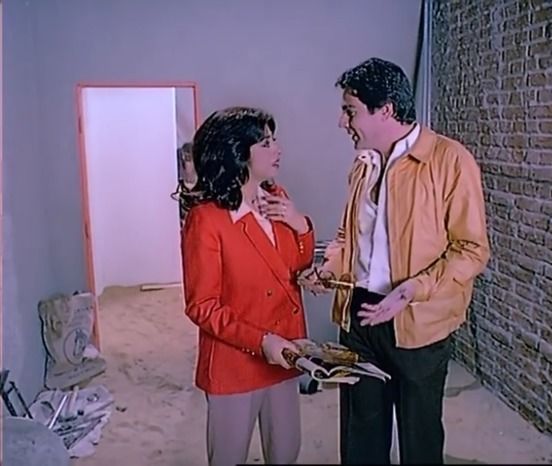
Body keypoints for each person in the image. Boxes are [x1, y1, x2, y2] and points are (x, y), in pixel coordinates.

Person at [299, 57, 490, 464]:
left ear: (385, 110)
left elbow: (471, 249)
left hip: (419, 322)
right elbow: (348, 238)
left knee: (420, 441)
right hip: (359, 317)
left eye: (350, 111)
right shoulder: (363, 164)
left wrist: (412, 289)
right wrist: (329, 268)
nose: (341, 122)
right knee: (361, 436)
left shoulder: (450, 161)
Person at [180, 106, 315, 466]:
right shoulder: (206, 219)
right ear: (237, 152)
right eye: (266, 143)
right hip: (235, 363)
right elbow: (202, 306)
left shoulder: (276, 196)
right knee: (228, 456)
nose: (278, 149)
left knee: (286, 452)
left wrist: (300, 224)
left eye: (275, 140)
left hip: (285, 350)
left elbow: (293, 269)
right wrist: (262, 341)